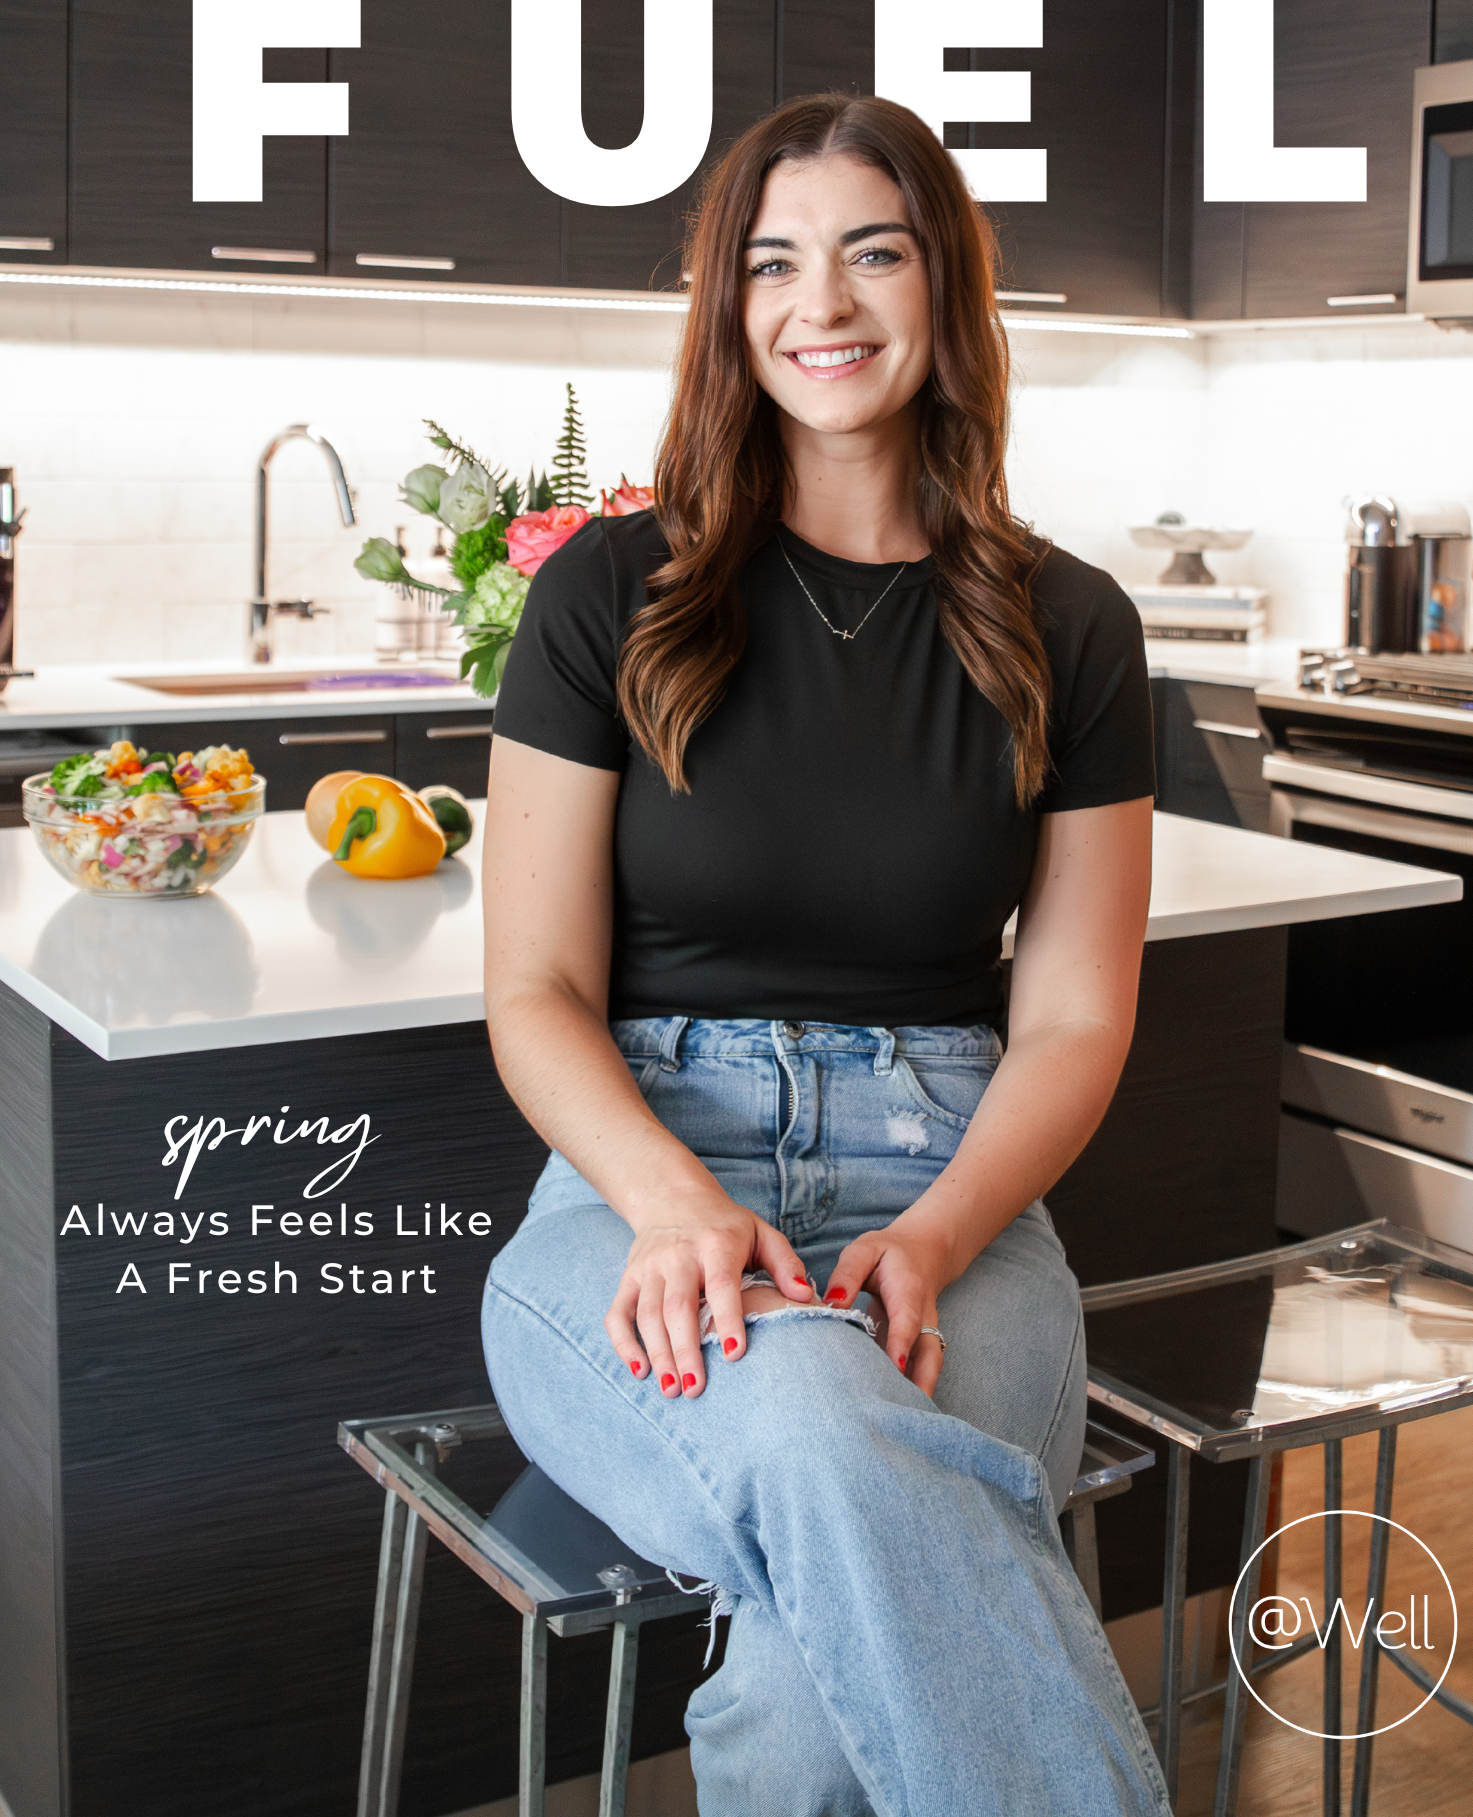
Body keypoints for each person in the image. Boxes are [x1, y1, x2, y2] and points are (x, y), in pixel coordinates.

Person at [480, 92, 1168, 1817]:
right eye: (773, 263)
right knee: (811, 1436)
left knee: (809, 1650)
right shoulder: (607, 596)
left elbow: (1076, 1016)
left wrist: (937, 1231)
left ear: (944, 285)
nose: (823, 303)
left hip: (964, 1196)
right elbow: (534, 995)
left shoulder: (1072, 623)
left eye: (874, 249)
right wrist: (670, 1203)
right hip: (641, 1184)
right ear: (731, 308)